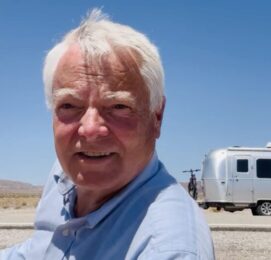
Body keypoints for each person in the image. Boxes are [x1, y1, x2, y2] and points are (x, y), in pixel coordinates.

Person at [1, 9, 214, 260]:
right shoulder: (64, 172)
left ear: (157, 117)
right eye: (69, 105)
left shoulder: (166, 248)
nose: (89, 129)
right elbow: (38, 251)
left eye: (118, 107)